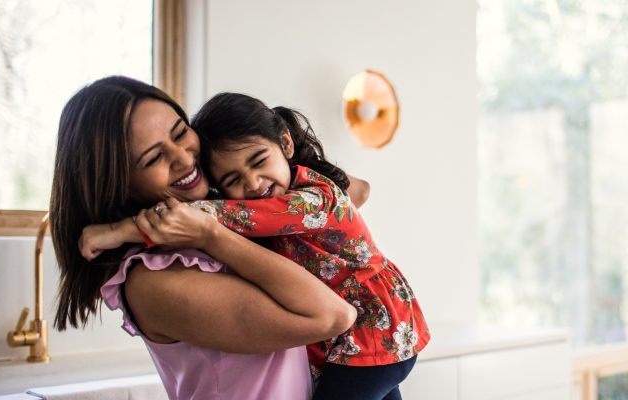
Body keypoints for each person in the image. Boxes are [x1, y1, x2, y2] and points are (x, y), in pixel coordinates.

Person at [80, 93, 430, 400]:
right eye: (231, 179)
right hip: (364, 336)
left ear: (286, 144)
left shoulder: (303, 202)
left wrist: (119, 229)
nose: (252, 183)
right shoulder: (156, 278)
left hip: (374, 329)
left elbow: (223, 217)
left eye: (179, 133)